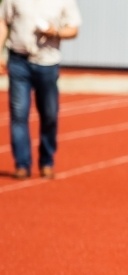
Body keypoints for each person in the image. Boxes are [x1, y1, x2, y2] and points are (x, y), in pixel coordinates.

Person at [0, 0, 81, 180]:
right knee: (19, 114)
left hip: (47, 62)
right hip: (18, 61)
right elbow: (3, 21)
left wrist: (56, 32)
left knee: (49, 115)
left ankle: (46, 161)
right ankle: (22, 164)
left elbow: (74, 29)